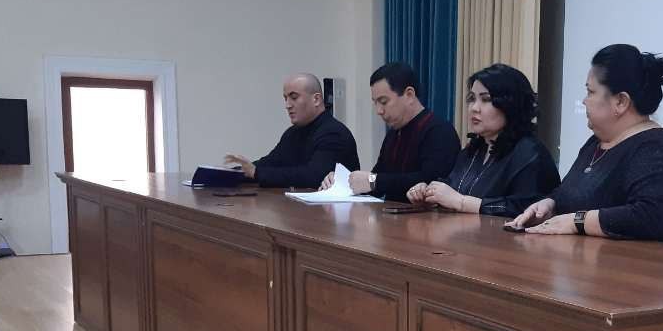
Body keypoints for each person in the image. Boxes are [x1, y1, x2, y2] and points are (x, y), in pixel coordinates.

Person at [508, 44, 663, 244]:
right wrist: (550, 205)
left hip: (642, 262)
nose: (584, 101)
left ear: (620, 102)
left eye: (590, 92)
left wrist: (577, 221)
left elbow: (651, 217)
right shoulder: (596, 143)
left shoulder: (654, 150)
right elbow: (571, 194)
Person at [405, 63, 560, 217]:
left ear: (510, 105)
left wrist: (461, 202)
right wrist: (429, 194)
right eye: (472, 99)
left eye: (486, 100)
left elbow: (525, 208)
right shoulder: (474, 149)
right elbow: (453, 187)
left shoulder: (530, 153)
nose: (474, 108)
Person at [321, 62, 458, 203]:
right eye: (375, 103)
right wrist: (344, 181)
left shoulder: (439, 131)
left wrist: (373, 181)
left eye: (384, 102)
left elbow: (430, 181)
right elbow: (377, 180)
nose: (379, 111)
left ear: (409, 95)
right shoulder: (393, 134)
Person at [225, 73, 359, 188]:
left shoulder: (333, 133)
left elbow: (314, 176)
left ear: (316, 99)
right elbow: (270, 163)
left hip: (333, 210)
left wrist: (257, 173)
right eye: (285, 98)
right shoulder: (293, 133)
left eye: (294, 97)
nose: (287, 105)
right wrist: (232, 173)